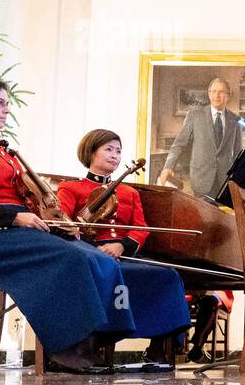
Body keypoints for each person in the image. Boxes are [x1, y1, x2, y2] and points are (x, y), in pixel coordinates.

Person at [0, 78, 180, 372]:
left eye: (7, 104)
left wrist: (52, 219)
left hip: (17, 229)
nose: (6, 110)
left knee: (96, 256)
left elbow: (25, 200)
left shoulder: (3, 153)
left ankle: (92, 341)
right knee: (73, 256)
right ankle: (64, 347)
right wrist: (16, 217)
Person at [56, 128, 194, 367]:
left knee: (167, 276)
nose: (115, 156)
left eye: (118, 151)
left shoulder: (129, 192)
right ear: (90, 152)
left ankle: (158, 347)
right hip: (90, 255)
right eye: (108, 149)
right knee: (105, 275)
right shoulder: (71, 188)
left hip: (123, 254)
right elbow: (62, 224)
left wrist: (121, 245)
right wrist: (91, 247)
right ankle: (90, 343)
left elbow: (141, 228)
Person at [158, 77, 245, 199]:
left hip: (225, 180)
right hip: (201, 178)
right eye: (213, 91)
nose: (217, 95)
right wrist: (168, 167)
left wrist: (239, 178)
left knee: (222, 216)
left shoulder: (235, 120)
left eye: (221, 92)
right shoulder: (195, 115)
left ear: (228, 95)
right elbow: (179, 144)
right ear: (209, 94)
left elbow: (238, 152)